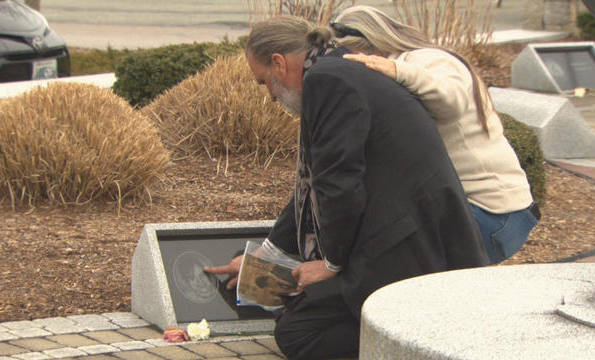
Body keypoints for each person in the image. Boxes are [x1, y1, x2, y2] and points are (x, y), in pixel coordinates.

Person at [205, 15, 488, 360]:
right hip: (406, 232)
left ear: (278, 63)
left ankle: (416, 346)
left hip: (406, 246)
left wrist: (333, 264)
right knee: (298, 312)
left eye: (263, 82)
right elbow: (313, 190)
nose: (270, 98)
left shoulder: (326, 82)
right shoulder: (337, 68)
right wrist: (265, 255)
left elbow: (339, 184)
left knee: (299, 332)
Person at [333, 5, 540, 264]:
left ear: (367, 48)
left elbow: (451, 101)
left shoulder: (428, 59)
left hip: (492, 212)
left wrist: (396, 70)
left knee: (391, 269)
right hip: (475, 209)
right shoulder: (398, 64)